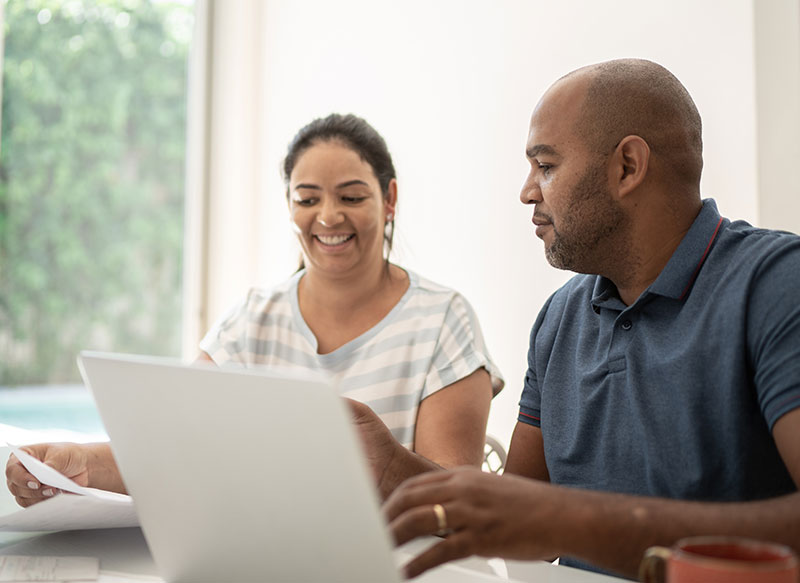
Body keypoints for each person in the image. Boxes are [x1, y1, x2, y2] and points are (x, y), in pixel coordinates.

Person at [382, 58, 800, 580]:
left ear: (627, 166)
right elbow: (522, 529)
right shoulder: (560, 317)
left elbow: (554, 518)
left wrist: (577, 520)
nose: (527, 192)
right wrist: (396, 472)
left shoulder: (778, 284)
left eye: (546, 165)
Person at [6, 113, 503, 506]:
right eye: (307, 199)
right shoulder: (253, 319)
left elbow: (460, 500)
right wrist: (76, 465)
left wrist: (388, 465)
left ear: (389, 199)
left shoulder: (443, 319)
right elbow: (173, 444)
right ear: (289, 206)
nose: (329, 216)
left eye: (351, 196)